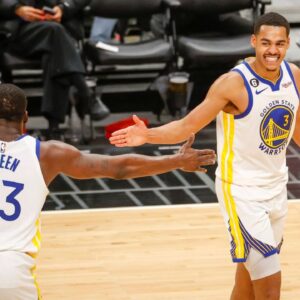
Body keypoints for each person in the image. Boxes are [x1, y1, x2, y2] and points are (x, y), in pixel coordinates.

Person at [110, 12, 300, 299]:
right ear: (253, 42)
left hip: (276, 188)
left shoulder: (294, 76)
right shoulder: (232, 84)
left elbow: (297, 129)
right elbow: (187, 125)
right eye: (265, 43)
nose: (272, 50)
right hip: (242, 194)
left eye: (279, 44)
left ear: (288, 44)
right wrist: (147, 135)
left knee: (247, 282)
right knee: (270, 289)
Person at [0, 83, 215, 299]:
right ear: (26, 117)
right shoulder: (47, 154)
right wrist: (175, 160)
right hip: (12, 270)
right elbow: (119, 168)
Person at [0, 0, 109, 138]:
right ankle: (85, 92)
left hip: (59, 30)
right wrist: (17, 9)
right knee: (56, 35)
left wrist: (63, 8)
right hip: (18, 32)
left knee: (54, 49)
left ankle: (54, 129)